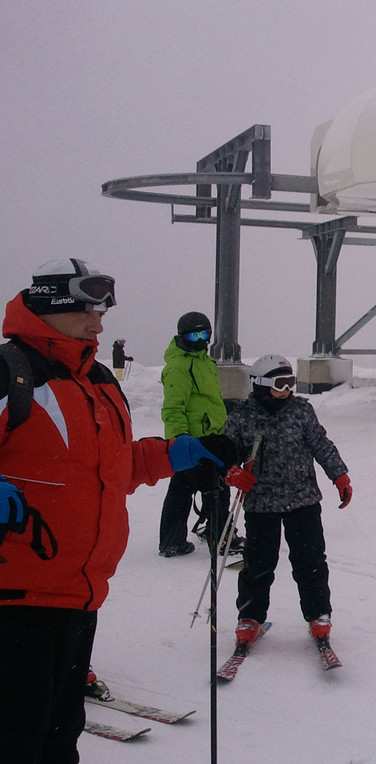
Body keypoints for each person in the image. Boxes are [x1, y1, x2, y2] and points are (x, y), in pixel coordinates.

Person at [0, 258, 236, 763]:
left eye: (102, 314)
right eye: (88, 312)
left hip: (81, 597)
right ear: (51, 306)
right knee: (17, 739)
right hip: (15, 599)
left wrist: (183, 452)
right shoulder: (10, 374)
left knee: (60, 738)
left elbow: (113, 468)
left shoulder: (100, 381)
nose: (98, 325)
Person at [222, 354, 352, 655]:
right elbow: (226, 453)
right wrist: (231, 472)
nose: (286, 390)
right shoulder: (241, 418)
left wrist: (339, 475)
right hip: (261, 503)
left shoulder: (301, 411)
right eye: (280, 384)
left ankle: (318, 614)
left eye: (290, 383)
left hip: (302, 499)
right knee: (258, 565)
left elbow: (320, 444)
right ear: (260, 384)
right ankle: (250, 617)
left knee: (311, 562)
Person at [158, 312, 237, 557]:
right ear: (182, 337)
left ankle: (176, 539)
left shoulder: (206, 361)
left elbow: (208, 400)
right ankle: (220, 537)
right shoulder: (179, 367)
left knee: (186, 486)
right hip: (193, 441)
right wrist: (180, 442)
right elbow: (173, 409)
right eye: (194, 336)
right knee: (213, 487)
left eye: (204, 335)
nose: (200, 340)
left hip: (211, 435)